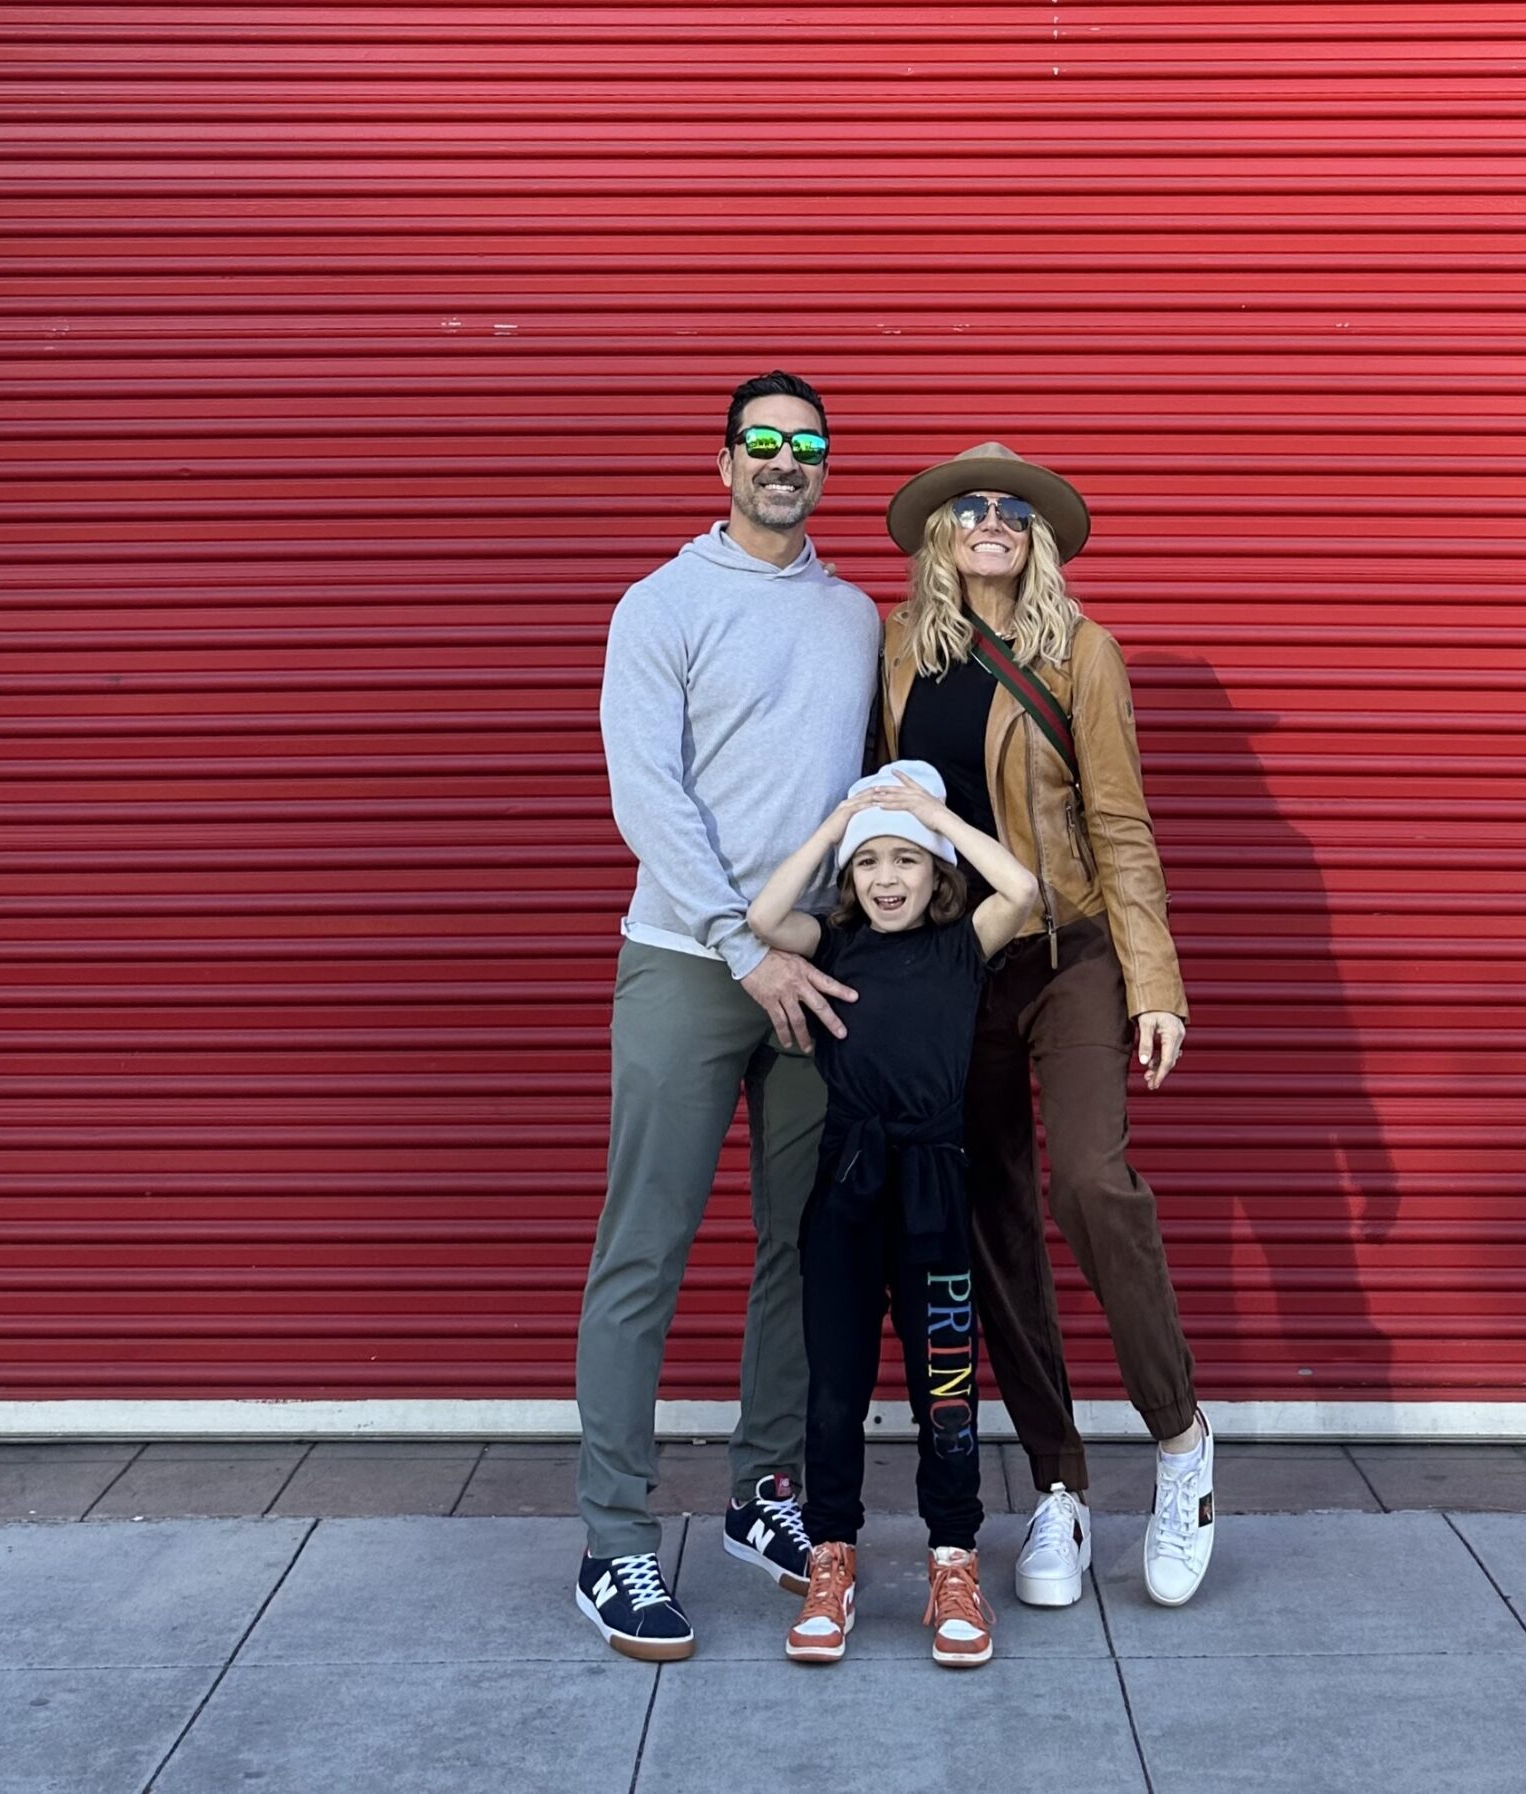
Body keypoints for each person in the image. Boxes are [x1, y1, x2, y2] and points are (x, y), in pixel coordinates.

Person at [573, 372, 881, 1662]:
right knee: (643, 1250)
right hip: (687, 966)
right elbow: (645, 794)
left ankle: (765, 1492)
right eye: (762, 441)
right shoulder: (662, 605)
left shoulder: (859, 613)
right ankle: (613, 1542)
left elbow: (877, 786)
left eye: (806, 445)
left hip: (813, 972)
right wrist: (731, 941)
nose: (785, 460)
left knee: (800, 1249)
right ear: (722, 464)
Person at [877, 441, 1214, 1610]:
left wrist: (1153, 978)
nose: (988, 520)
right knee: (992, 1221)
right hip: (955, 967)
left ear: (1038, 539)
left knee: (1088, 1184)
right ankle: (1059, 1486)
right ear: (939, 535)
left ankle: (1179, 1445)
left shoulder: (1084, 652)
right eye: (967, 507)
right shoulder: (895, 652)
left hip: (1068, 956)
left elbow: (1119, 821)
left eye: (1010, 509)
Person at [743, 762, 1037, 1668]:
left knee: (945, 1389)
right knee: (834, 1391)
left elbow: (1022, 886)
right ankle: (833, 1559)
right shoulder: (832, 944)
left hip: (936, 1190)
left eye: (906, 859)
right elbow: (761, 918)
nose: (886, 878)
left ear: (938, 871)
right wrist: (839, 823)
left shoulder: (961, 947)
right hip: (846, 1188)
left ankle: (953, 1560)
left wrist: (923, 809)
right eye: (870, 863)